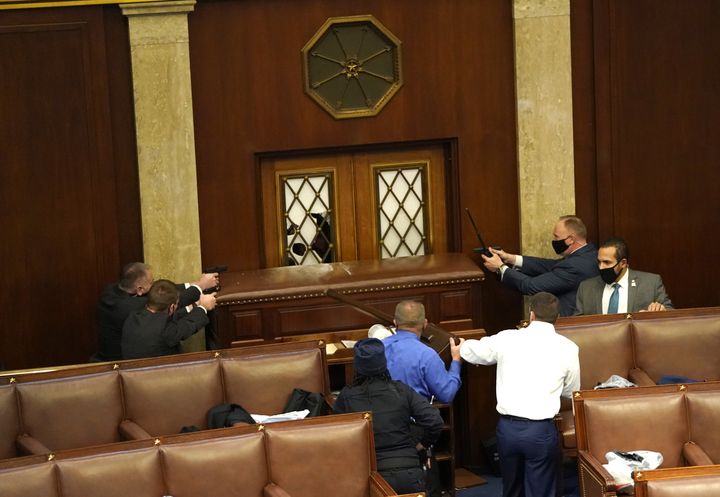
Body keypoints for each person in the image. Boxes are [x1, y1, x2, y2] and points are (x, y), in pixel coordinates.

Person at [460, 292, 580, 497]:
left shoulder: (507, 338)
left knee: (511, 490)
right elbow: (571, 391)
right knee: (541, 492)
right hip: (541, 432)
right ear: (557, 318)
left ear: (531, 315)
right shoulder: (569, 348)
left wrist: (460, 345)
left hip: (508, 430)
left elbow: (474, 351)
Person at [333, 338, 443, 495]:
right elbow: (434, 421)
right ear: (384, 363)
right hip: (410, 474)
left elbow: (337, 438)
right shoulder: (401, 390)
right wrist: (422, 445)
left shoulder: (347, 396)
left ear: (357, 367)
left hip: (373, 476)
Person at [96, 262, 218, 361]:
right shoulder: (129, 308)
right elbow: (187, 324)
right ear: (140, 289)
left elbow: (162, 297)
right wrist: (203, 304)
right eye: (151, 282)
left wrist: (193, 303)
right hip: (119, 363)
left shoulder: (132, 314)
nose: (153, 285)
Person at [482, 215, 599, 316]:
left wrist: (500, 267)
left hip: (567, 326)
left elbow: (530, 286)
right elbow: (550, 265)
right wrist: (511, 258)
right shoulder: (590, 254)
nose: (554, 240)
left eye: (556, 237)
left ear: (570, 240)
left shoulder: (574, 266)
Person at [383, 300, 465, 404]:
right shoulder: (427, 355)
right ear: (425, 324)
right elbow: (446, 394)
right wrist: (456, 362)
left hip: (379, 418)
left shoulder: (378, 348)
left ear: (395, 322)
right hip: (414, 418)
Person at [575, 237, 673, 315]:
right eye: (599, 262)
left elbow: (671, 313)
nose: (601, 267)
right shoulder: (586, 288)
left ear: (623, 263)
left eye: (606, 262)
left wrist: (660, 310)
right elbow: (577, 323)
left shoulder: (651, 283)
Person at [121, 279, 217, 359]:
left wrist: (195, 302)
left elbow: (164, 314)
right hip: (161, 377)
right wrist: (203, 307)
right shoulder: (165, 328)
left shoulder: (133, 316)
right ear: (172, 307)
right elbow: (188, 325)